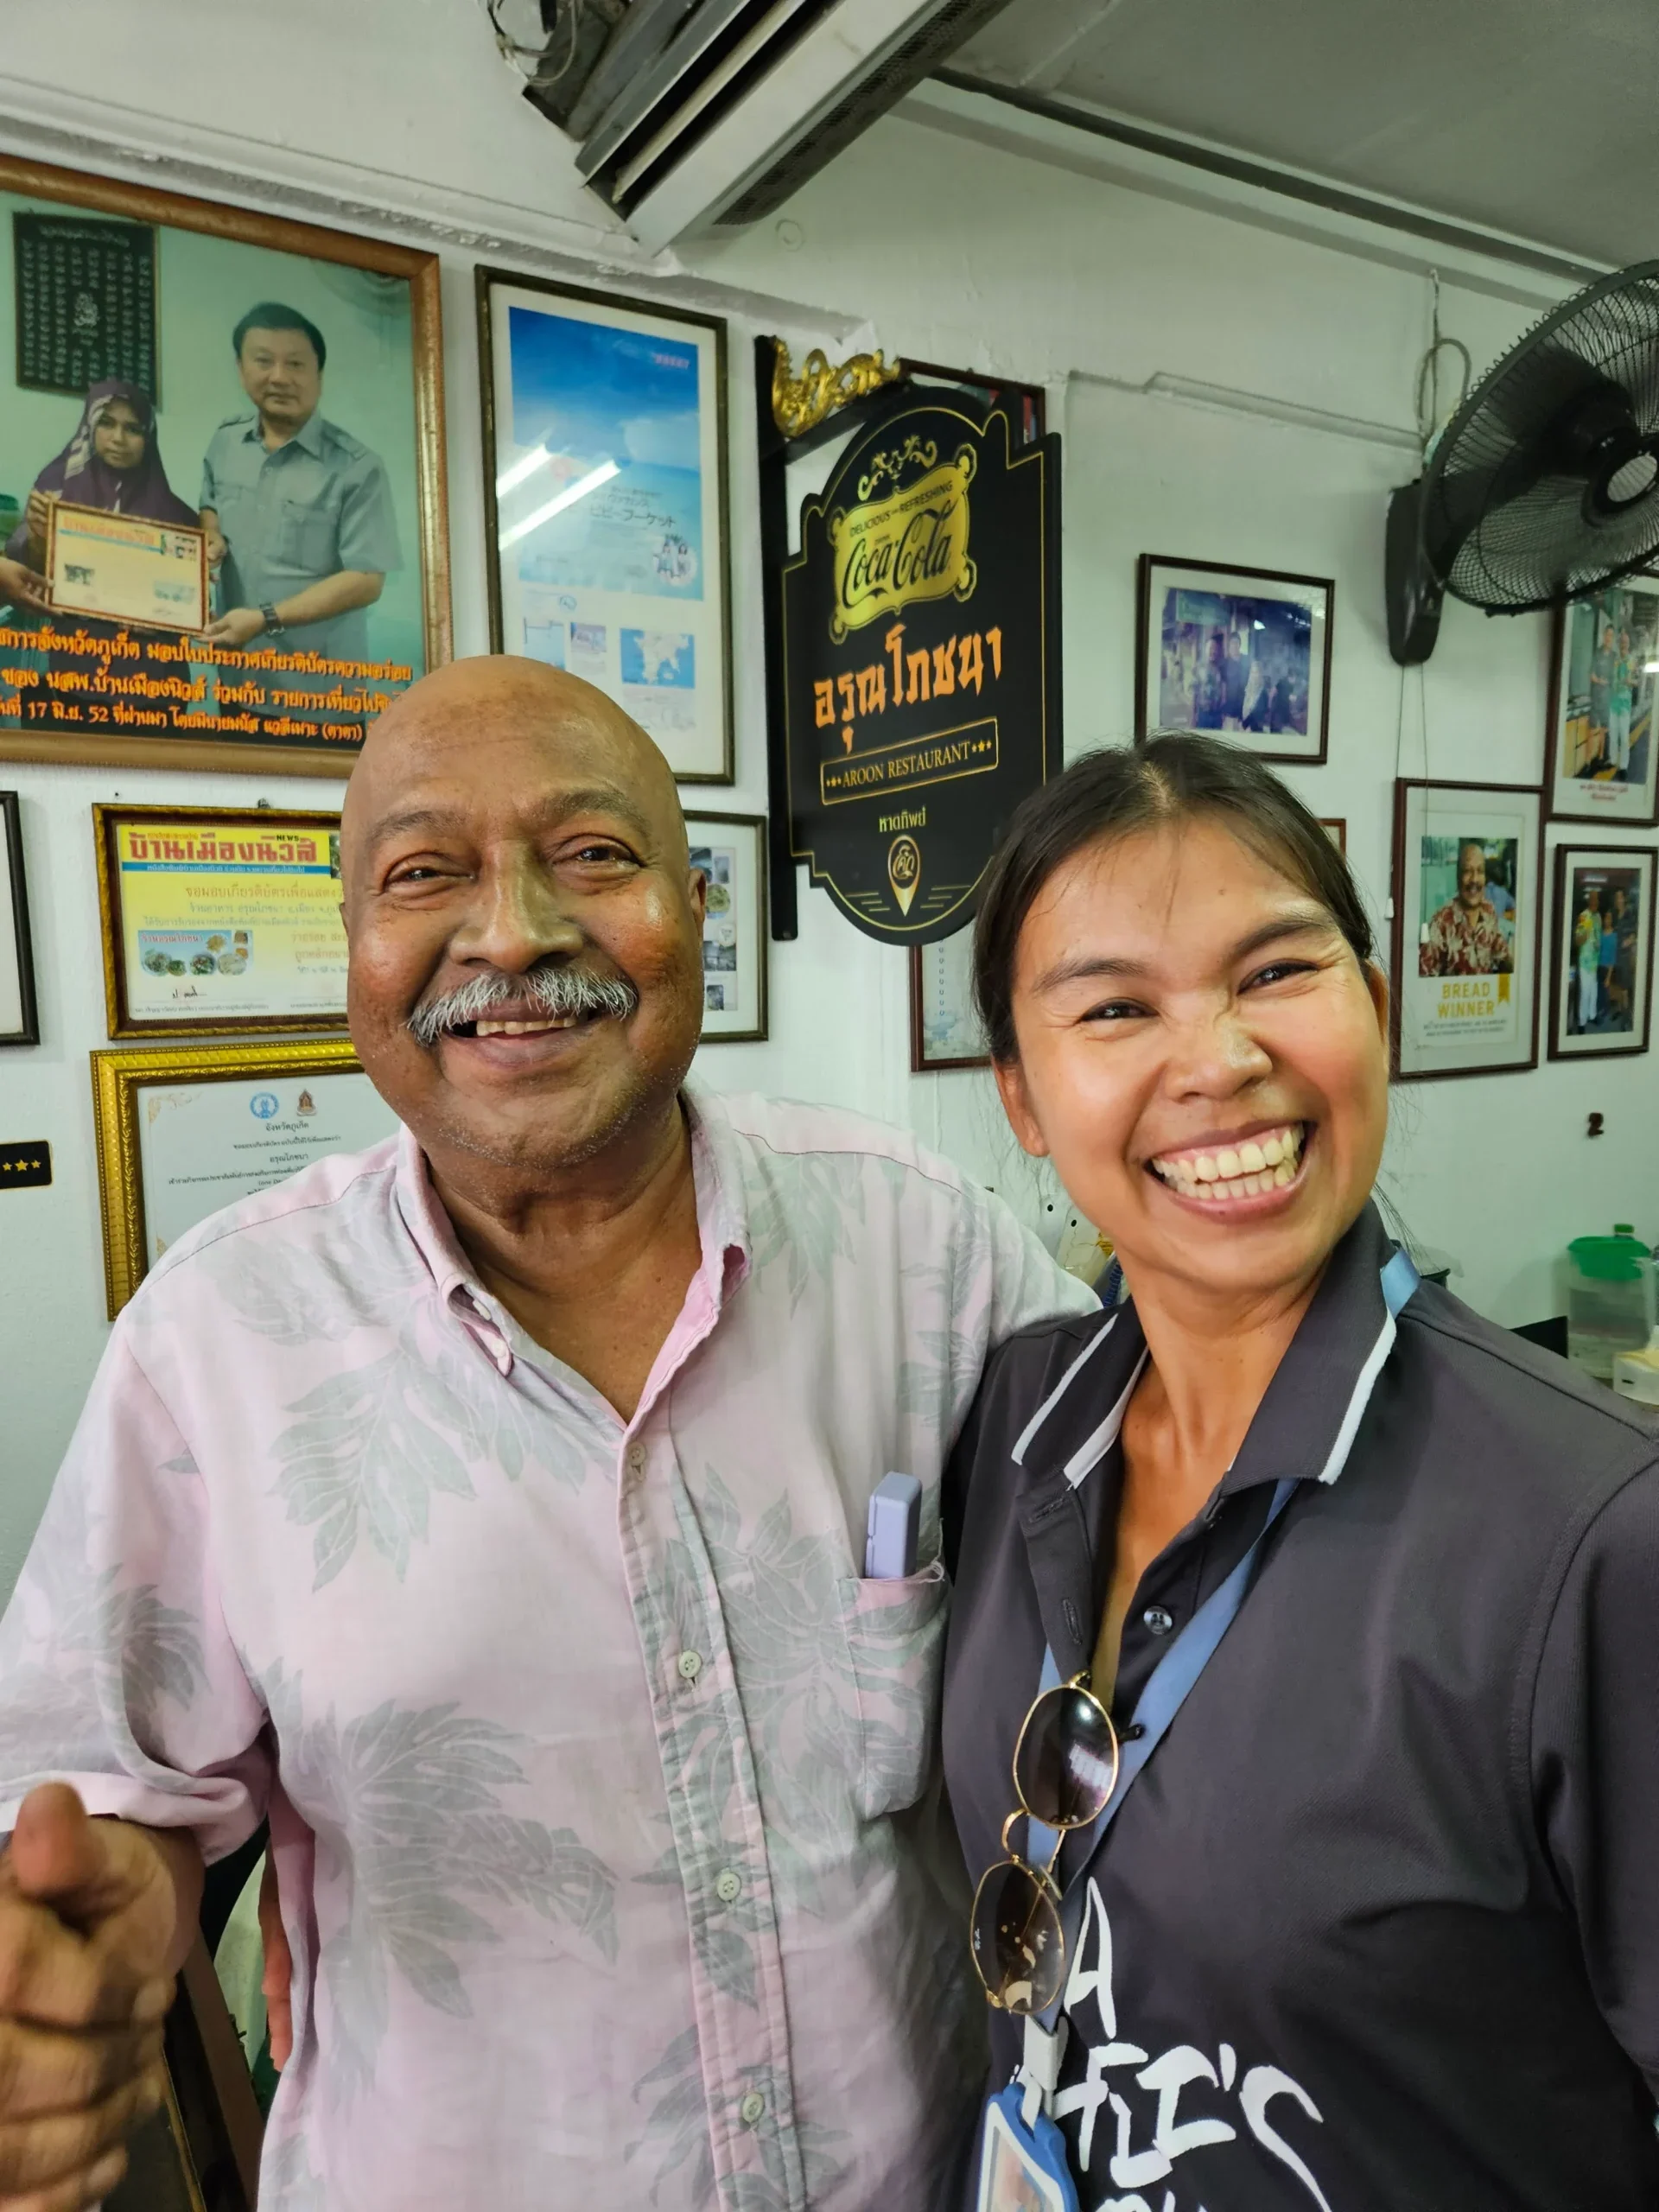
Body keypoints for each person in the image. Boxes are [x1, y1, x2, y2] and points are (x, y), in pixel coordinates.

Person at [0, 656, 1090, 2211]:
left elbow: (1156, 1552)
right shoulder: (215, 1342)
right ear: (354, 945)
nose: (511, 934)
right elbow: (107, 1790)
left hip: (907, 2173)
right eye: (423, 873)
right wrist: (97, 1927)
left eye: (591, 853)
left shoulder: (926, 1257)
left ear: (696, 913)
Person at [939, 733, 1659, 2212]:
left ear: (1375, 1011)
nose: (1218, 1062)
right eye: (1116, 1007)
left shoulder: (1592, 1535)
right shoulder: (1015, 1422)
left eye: (1275, 973)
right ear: (1022, 1099)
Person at [198, 302, 401, 664]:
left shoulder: (357, 468)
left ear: (318, 376)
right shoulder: (225, 441)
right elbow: (210, 503)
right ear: (241, 369)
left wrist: (265, 619)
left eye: (295, 364)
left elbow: (366, 580)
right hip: (238, 670)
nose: (279, 377)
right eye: (263, 361)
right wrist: (210, 534)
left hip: (315, 682)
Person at [5, 379, 198, 570]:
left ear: (147, 438)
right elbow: (19, 567)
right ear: (90, 426)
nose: (118, 439)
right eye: (106, 423)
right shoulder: (54, 488)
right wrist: (38, 540)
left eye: (133, 429)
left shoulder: (176, 517)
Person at [1418, 838, 1514, 976]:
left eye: (1480, 871)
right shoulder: (1441, 923)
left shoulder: (1489, 911)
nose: (1474, 879)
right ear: (1458, 877)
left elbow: (1503, 957)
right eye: (1468, 871)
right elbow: (1424, 979)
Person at [1610, 626, 1635, 775]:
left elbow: (1636, 681)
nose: (1623, 644)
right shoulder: (1615, 660)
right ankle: (1613, 760)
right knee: (1613, 735)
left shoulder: (1632, 661)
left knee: (1624, 737)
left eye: (1625, 642)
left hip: (1625, 705)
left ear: (1628, 644)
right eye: (1621, 642)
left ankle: (1624, 766)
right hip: (1613, 703)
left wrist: (1630, 682)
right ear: (1619, 644)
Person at [1576, 884, 1602, 1030]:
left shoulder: (1598, 916)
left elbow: (1598, 936)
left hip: (1595, 961)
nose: (1595, 901)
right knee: (1585, 992)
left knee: (1594, 991)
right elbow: (1578, 941)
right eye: (1592, 898)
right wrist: (1584, 934)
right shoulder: (1584, 916)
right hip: (1585, 962)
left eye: (1596, 899)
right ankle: (1582, 1022)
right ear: (1589, 900)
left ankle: (1592, 1015)